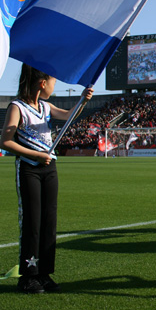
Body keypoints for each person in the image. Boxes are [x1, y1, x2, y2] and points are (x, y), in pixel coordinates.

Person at [0, 64, 93, 294]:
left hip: (49, 169)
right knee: (32, 222)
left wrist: (83, 100)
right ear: (43, 83)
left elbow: (69, 116)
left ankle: (44, 273)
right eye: (53, 82)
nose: (54, 86)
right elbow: (5, 141)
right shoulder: (17, 107)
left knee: (49, 222)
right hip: (30, 169)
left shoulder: (45, 106)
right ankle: (27, 276)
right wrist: (36, 155)